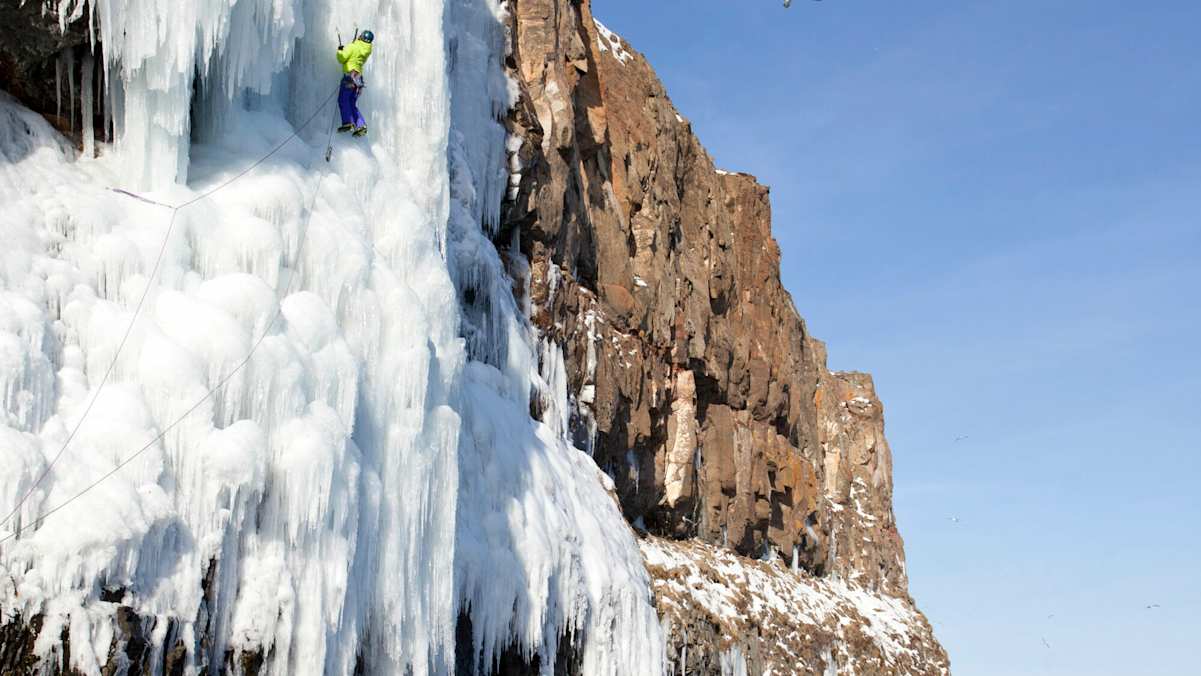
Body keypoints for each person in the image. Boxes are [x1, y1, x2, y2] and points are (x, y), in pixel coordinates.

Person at [336, 30, 374, 137]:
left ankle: (348, 122)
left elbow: (342, 58)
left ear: (361, 37)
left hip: (350, 78)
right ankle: (361, 125)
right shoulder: (366, 51)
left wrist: (340, 50)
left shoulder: (353, 47)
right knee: (351, 102)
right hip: (358, 80)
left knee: (343, 100)